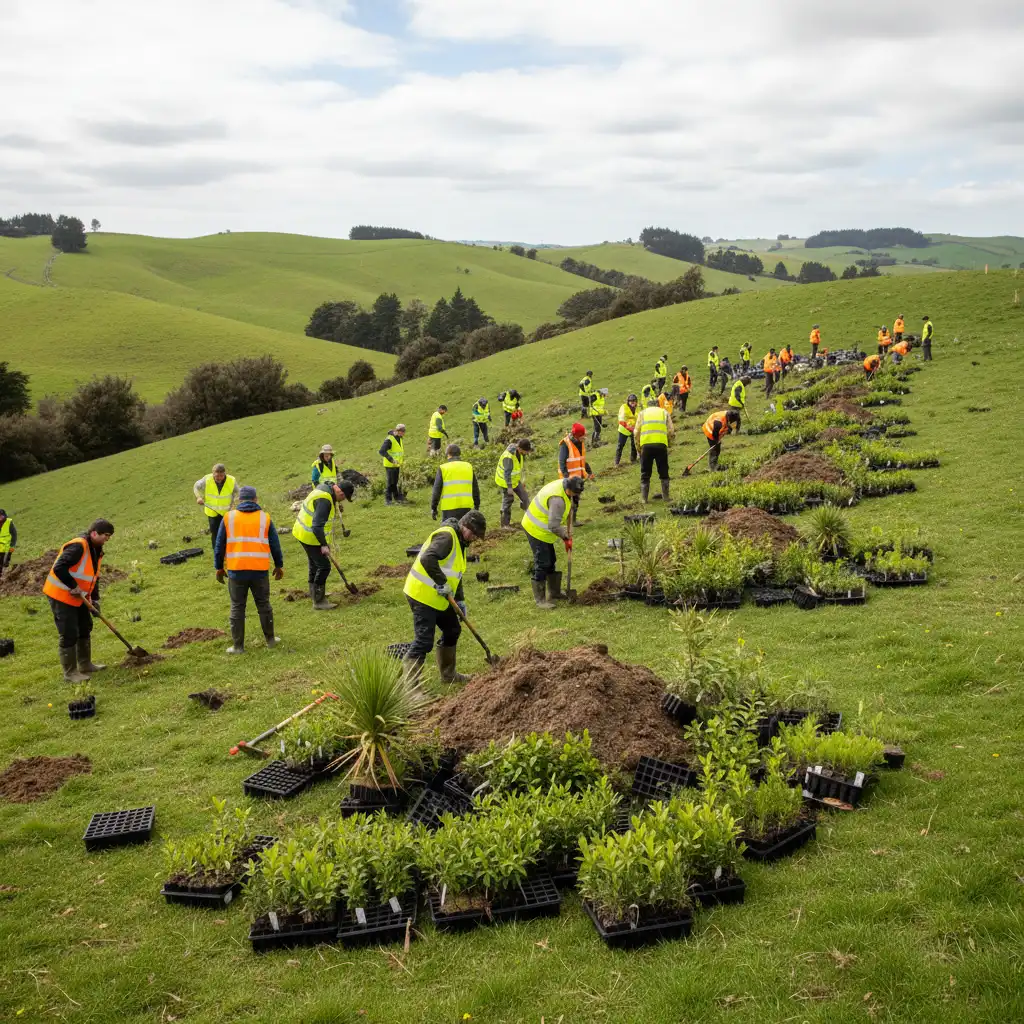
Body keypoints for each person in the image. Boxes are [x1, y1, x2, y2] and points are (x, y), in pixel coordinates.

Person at [402, 510, 487, 683]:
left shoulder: (460, 542)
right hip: (422, 594)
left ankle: (448, 675)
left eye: (476, 536)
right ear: (465, 526)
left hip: (438, 597)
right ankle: (411, 688)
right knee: (424, 640)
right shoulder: (447, 537)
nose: (474, 538)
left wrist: (460, 600)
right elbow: (428, 559)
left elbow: (455, 574)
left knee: (452, 629)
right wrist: (441, 582)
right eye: (473, 533)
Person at [42, 519, 114, 682]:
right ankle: (70, 673)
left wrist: (95, 599)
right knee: (69, 632)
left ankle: (85, 664)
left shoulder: (97, 549)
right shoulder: (78, 546)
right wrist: (73, 586)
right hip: (61, 594)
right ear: (94, 533)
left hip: (80, 595)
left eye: (109, 536)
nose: (107, 539)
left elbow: (93, 577)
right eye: (106, 535)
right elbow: (59, 567)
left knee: (85, 626)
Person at [214, 485, 283, 654]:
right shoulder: (265, 518)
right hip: (259, 570)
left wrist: (219, 567)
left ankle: (238, 647)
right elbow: (275, 544)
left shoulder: (228, 517)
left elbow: (219, 545)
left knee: (237, 607)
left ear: (239, 500)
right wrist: (279, 565)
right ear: (255, 499)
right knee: (264, 604)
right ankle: (270, 640)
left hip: (236, 570)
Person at [522, 476, 585, 609]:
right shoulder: (557, 501)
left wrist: (568, 528)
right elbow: (554, 526)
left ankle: (554, 593)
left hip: (543, 528)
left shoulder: (565, 486)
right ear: (569, 489)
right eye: (575, 493)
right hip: (535, 528)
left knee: (551, 559)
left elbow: (569, 509)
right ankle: (540, 600)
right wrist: (565, 536)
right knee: (543, 562)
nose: (576, 496)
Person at [291, 479, 354, 610]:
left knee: (315, 564)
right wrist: (324, 545)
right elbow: (317, 526)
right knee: (324, 566)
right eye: (344, 498)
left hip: (302, 532)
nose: (342, 501)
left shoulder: (327, 488)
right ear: (341, 493)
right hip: (309, 535)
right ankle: (319, 601)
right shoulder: (325, 500)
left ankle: (315, 593)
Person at [634, 397, 675, 503]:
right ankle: (666, 497)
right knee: (663, 471)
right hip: (661, 445)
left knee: (645, 472)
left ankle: (644, 499)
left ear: (648, 405)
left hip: (646, 446)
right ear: (658, 404)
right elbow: (671, 431)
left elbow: (636, 432)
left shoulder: (642, 413)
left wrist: (639, 448)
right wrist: (669, 444)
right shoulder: (664, 412)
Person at [193, 463, 238, 553]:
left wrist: (235, 505)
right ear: (213, 473)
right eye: (217, 476)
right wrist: (198, 497)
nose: (219, 478)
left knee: (227, 533)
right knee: (215, 533)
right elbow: (196, 487)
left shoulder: (232, 480)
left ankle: (228, 551)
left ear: (225, 473)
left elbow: (238, 492)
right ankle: (217, 552)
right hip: (212, 512)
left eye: (221, 476)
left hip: (226, 512)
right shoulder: (207, 479)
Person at [431, 444, 480, 522]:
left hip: (449, 508)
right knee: (464, 528)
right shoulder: (468, 466)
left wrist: (434, 508)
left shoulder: (443, 468)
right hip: (466, 507)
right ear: (459, 454)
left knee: (449, 529)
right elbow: (475, 488)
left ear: (448, 454)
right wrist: (477, 505)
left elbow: (436, 490)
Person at [495, 438, 533, 527]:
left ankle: (530, 519)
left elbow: (518, 468)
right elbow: (507, 473)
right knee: (508, 500)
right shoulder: (508, 457)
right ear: (520, 449)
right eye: (526, 451)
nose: (527, 453)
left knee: (524, 497)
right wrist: (509, 487)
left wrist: (522, 480)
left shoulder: (520, 454)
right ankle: (505, 525)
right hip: (505, 482)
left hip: (515, 480)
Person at [379, 423, 406, 505]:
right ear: (398, 431)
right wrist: (391, 459)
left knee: (395, 482)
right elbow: (382, 451)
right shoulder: (389, 439)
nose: (404, 433)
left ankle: (397, 497)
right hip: (390, 465)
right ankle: (388, 500)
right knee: (390, 483)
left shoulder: (399, 438)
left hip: (397, 465)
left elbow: (398, 451)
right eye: (403, 431)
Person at [615, 394, 639, 466]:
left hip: (634, 429)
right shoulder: (624, 407)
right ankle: (616, 463)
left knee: (634, 445)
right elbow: (621, 421)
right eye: (630, 401)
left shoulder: (637, 408)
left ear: (636, 401)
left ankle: (633, 459)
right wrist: (630, 428)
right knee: (620, 446)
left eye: (634, 401)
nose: (632, 402)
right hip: (624, 430)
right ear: (628, 401)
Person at [0, 508, 16, 580]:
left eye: (1, 516)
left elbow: (14, 535)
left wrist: (12, 546)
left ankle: (6, 562)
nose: (0, 518)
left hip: (8, 545)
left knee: (5, 561)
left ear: (4, 515)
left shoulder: (9, 522)